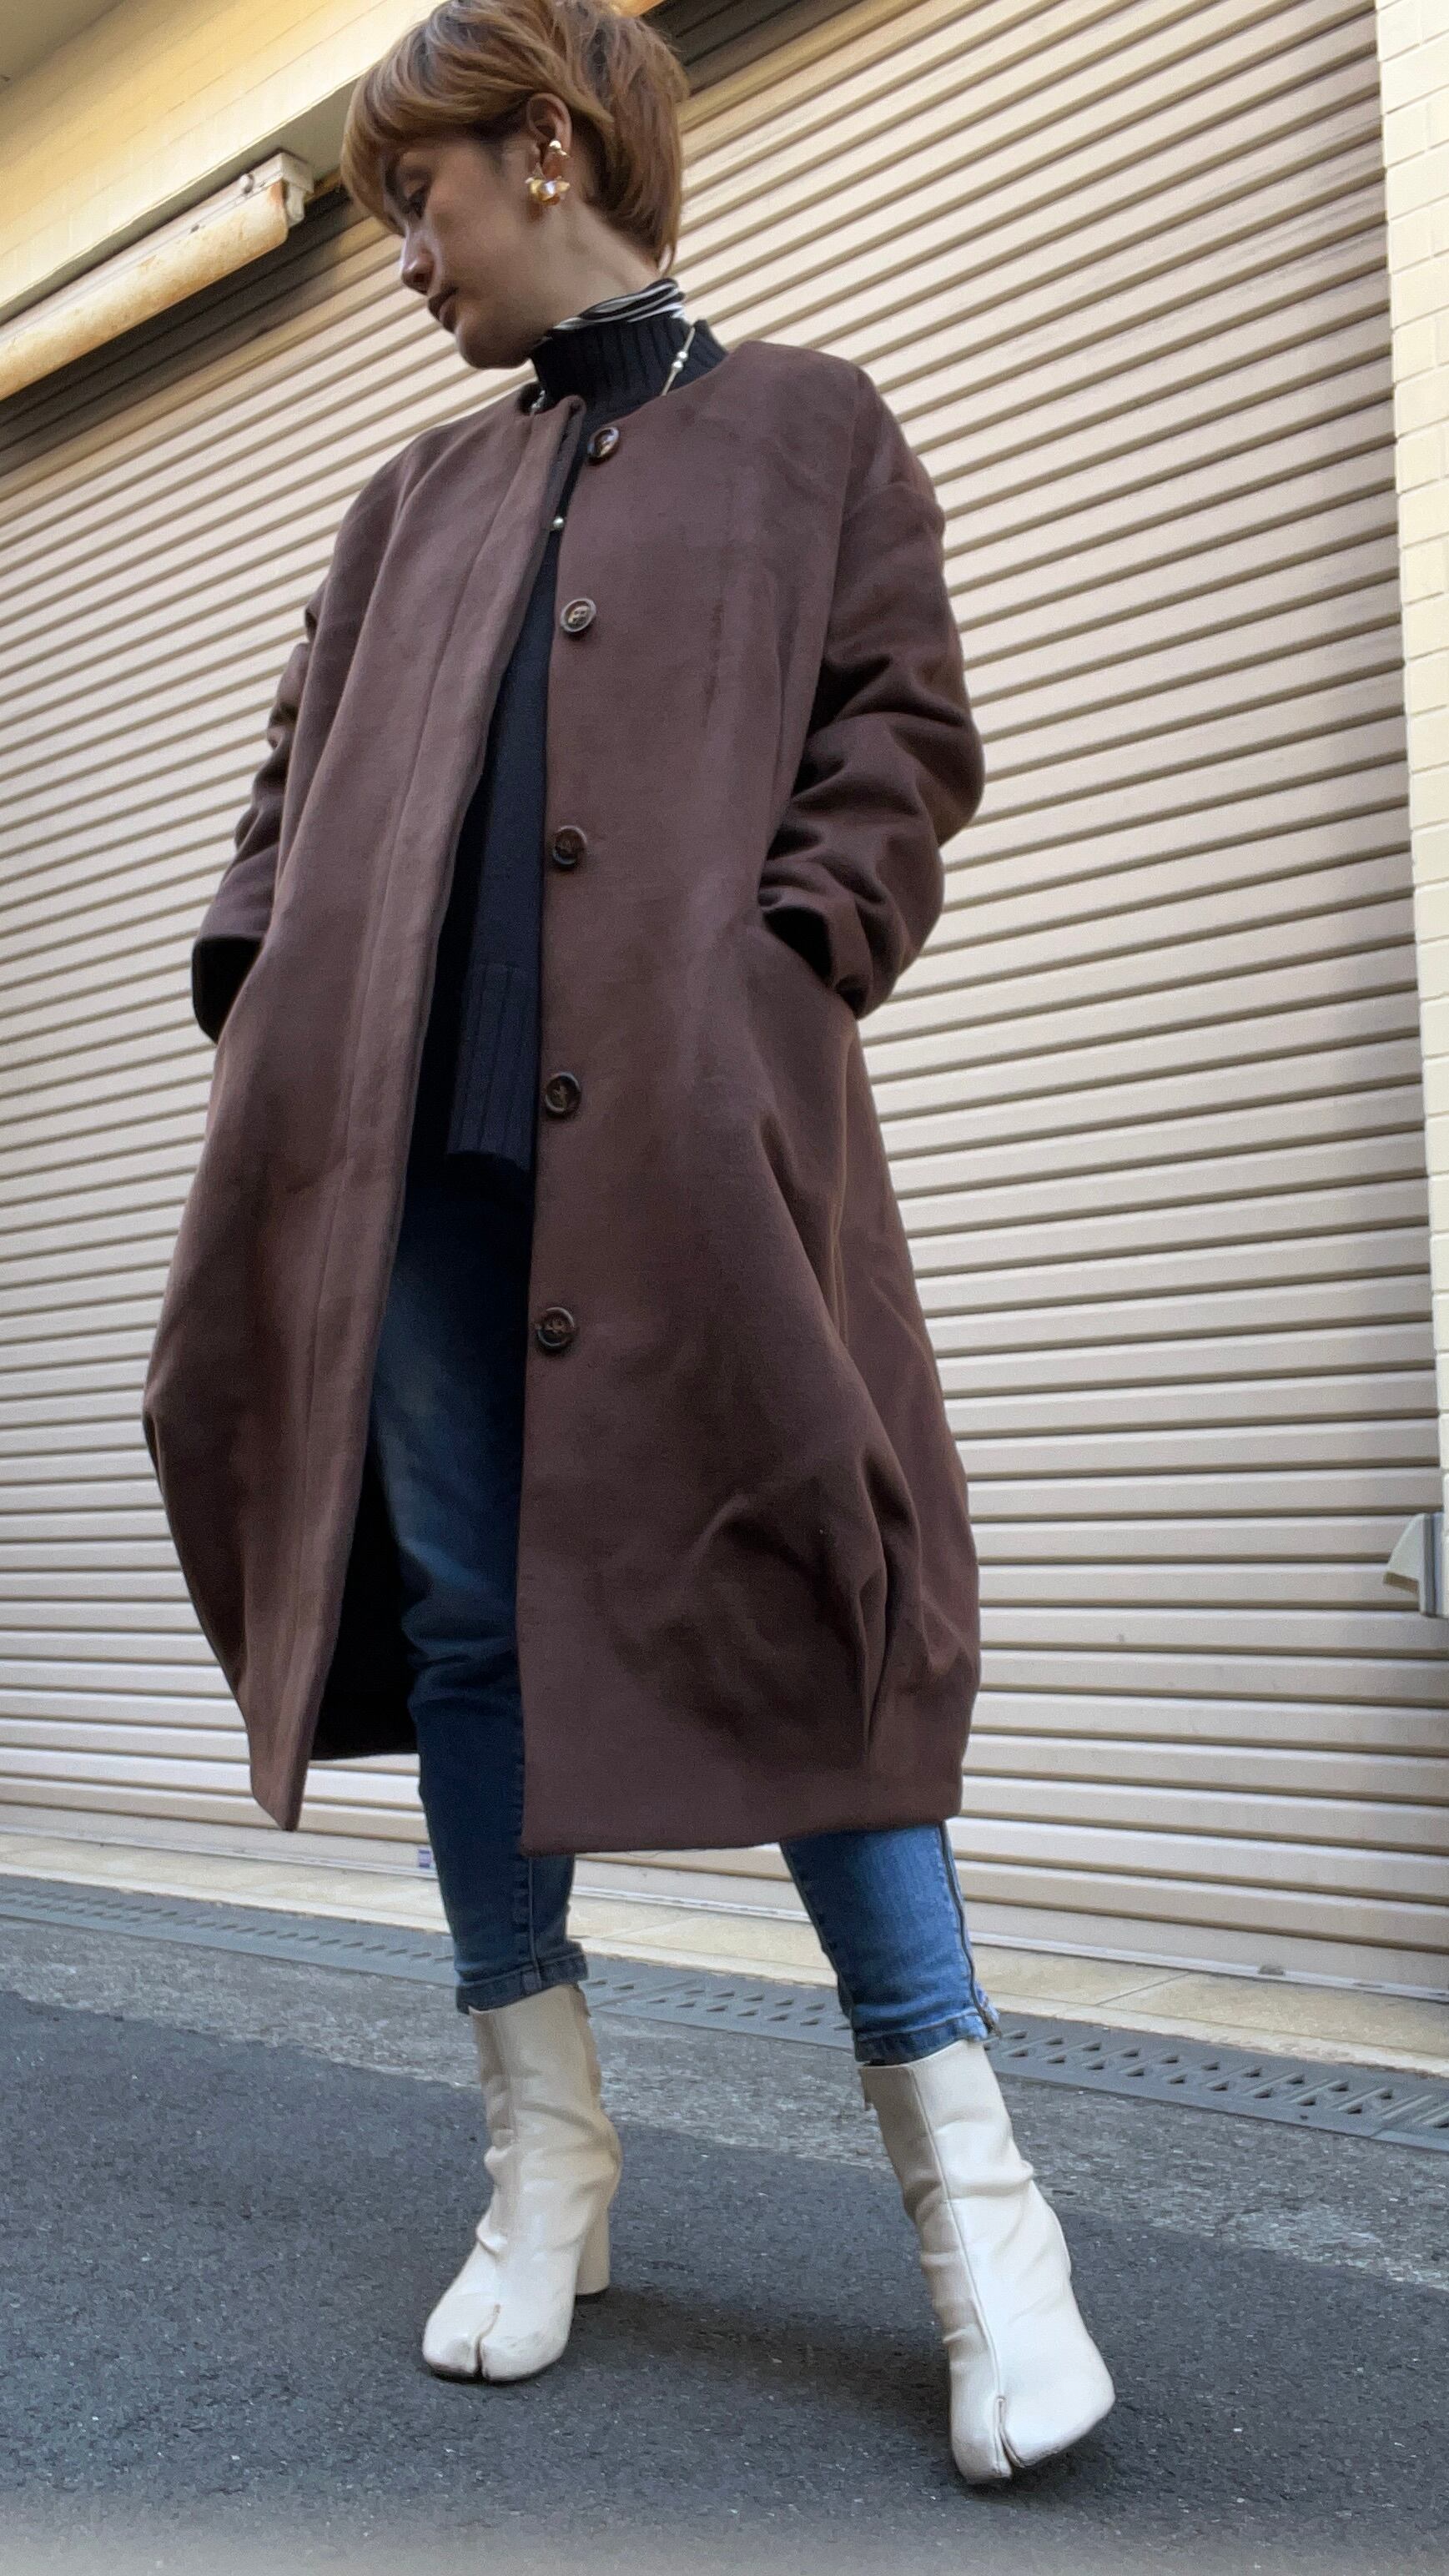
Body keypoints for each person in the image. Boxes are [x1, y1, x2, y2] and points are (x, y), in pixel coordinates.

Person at [143, 0, 1114, 2486]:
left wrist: (779, 976)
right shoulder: (407, 498)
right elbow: (287, 781)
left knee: (803, 1587)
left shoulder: (812, 429)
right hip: (403, 1158)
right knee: (471, 1619)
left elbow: (900, 738)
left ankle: (979, 2213)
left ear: (551, 148)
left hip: (685, 1152)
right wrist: (264, 1001)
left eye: (422, 200)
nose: (404, 255)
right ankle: (544, 2157)